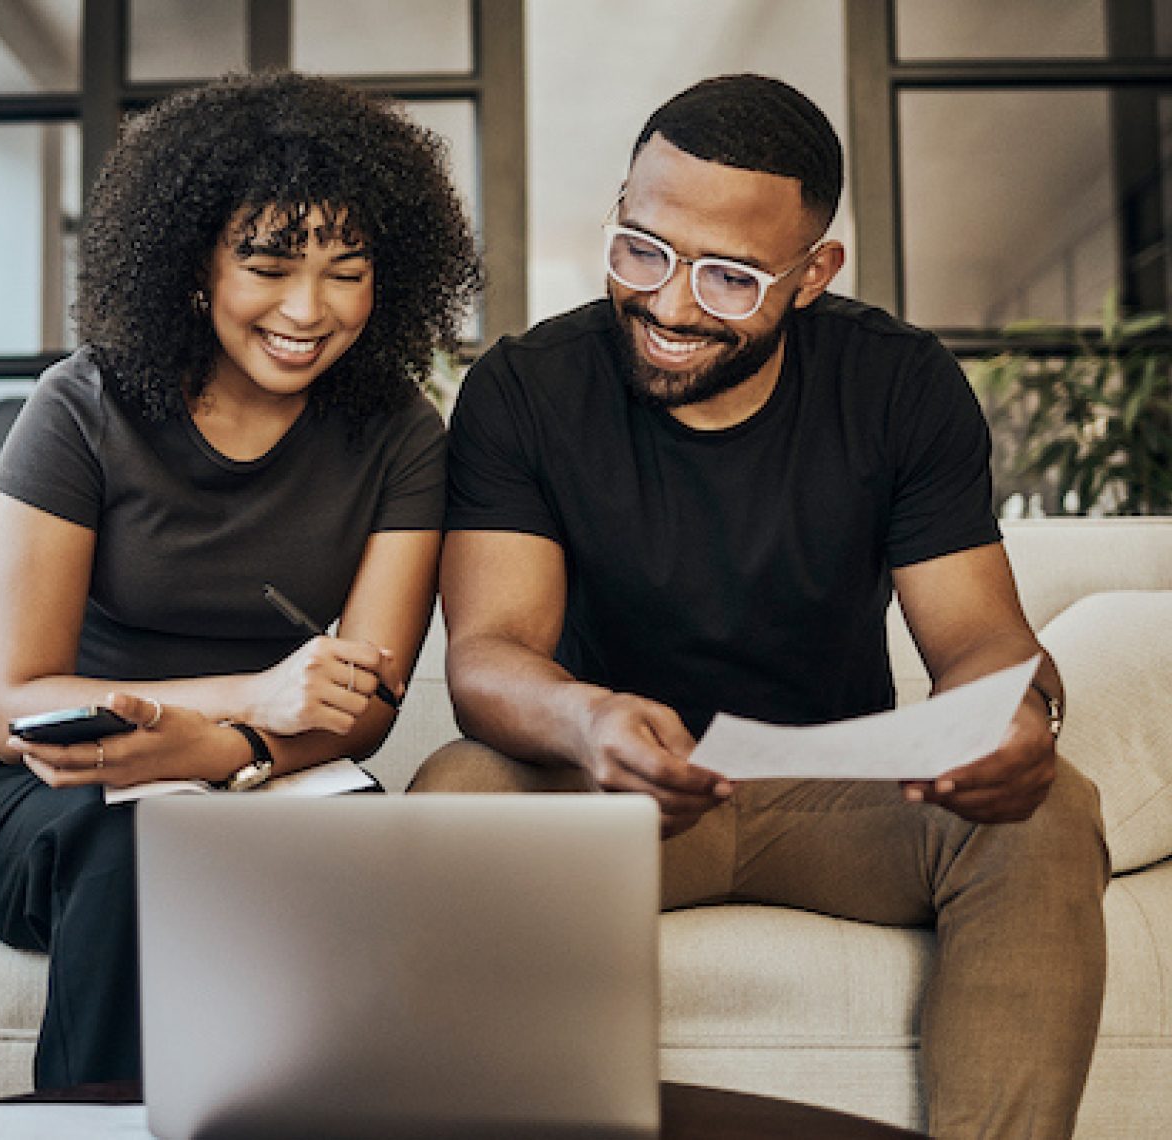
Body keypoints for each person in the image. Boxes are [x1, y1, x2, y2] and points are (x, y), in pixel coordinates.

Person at [413, 74, 1108, 1140]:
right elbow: (491, 651)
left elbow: (976, 638)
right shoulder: (525, 389)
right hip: (616, 797)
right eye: (639, 249)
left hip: (837, 793)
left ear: (813, 271)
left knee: (1047, 804)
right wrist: (587, 720)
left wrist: (1014, 715)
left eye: (730, 278)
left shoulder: (899, 386)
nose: (670, 304)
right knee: (458, 787)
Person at [0, 71, 480, 1089]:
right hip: (49, 784)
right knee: (153, 850)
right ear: (194, 268)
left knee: (373, 877)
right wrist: (248, 697)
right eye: (266, 265)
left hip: (275, 771)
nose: (307, 310)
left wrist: (230, 747)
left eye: (346, 271)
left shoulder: (400, 432)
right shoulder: (78, 409)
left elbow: (362, 707)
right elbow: (18, 707)